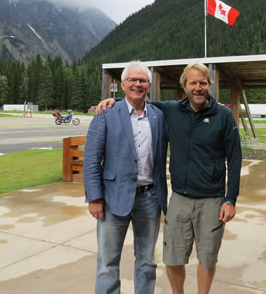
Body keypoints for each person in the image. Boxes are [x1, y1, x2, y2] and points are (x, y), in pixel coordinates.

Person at [97, 62, 242, 294]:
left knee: (207, 256)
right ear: (184, 85)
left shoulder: (223, 115)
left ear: (209, 85)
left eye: (202, 83)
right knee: (173, 256)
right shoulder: (172, 110)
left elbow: (235, 160)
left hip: (212, 199)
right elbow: (138, 101)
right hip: (180, 199)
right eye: (193, 83)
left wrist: (230, 198)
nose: (198, 87)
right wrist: (113, 101)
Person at [83, 61, 168, 294]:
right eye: (132, 80)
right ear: (122, 84)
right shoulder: (106, 113)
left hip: (149, 199)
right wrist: (94, 198)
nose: (137, 84)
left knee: (147, 261)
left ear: (149, 85)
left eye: (142, 81)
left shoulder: (159, 116)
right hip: (112, 199)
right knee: (107, 264)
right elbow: (91, 159)